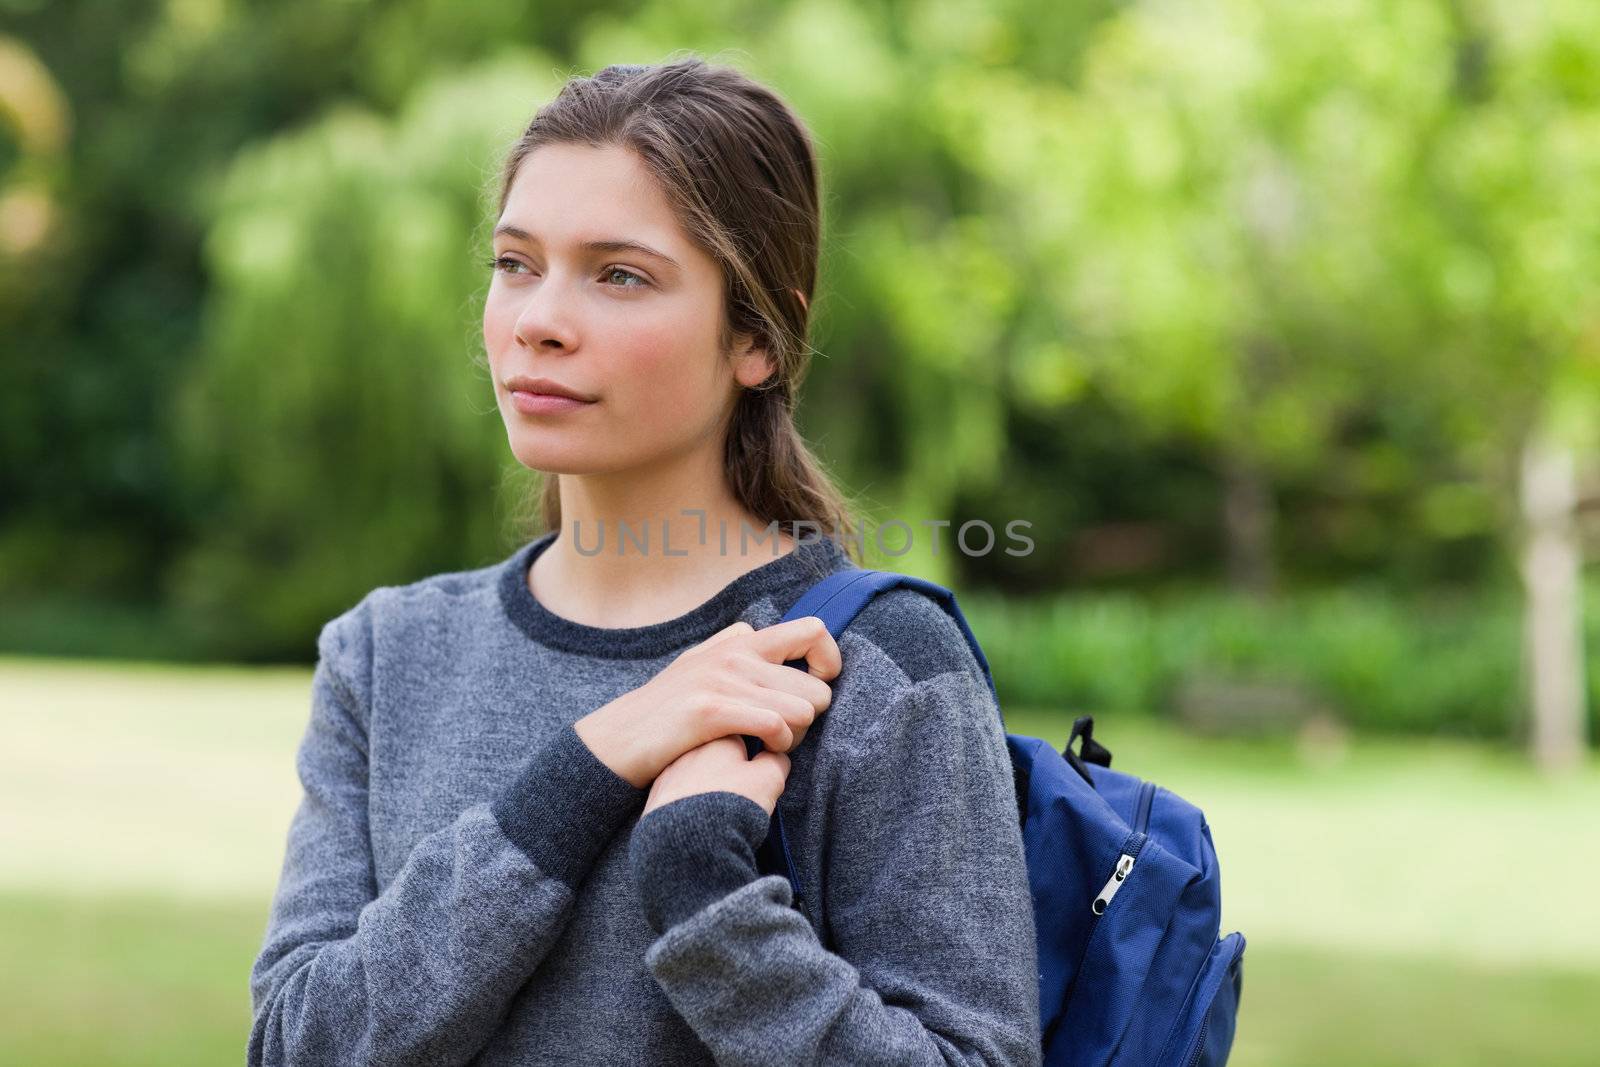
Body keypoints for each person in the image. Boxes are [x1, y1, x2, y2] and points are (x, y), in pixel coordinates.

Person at [247, 55, 1040, 1066]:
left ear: (759, 336)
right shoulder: (387, 653)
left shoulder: (876, 665)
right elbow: (296, 1044)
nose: (537, 320)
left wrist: (705, 893)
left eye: (619, 274)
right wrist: (583, 771)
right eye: (516, 263)